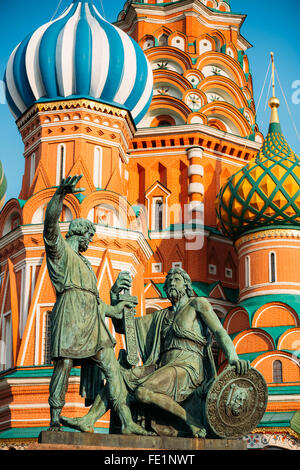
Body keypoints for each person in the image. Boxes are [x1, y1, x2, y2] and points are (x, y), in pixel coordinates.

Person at [61, 267, 250, 437]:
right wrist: (115, 295)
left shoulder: (197, 304)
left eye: (175, 279)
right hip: (163, 366)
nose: (170, 283)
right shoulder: (162, 315)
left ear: (186, 285)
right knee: (117, 376)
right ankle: (89, 420)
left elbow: (219, 331)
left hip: (188, 367)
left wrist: (233, 357)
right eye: (168, 282)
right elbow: (125, 326)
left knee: (143, 392)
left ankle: (190, 419)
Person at [44, 174, 149, 435]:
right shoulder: (61, 252)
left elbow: (96, 302)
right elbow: (49, 225)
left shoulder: (86, 264)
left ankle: (127, 422)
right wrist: (60, 195)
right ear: (79, 233)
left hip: (92, 320)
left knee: (113, 369)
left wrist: (115, 305)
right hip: (69, 314)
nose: (90, 242)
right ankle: (55, 418)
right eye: (89, 236)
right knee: (64, 365)